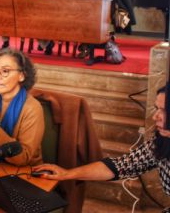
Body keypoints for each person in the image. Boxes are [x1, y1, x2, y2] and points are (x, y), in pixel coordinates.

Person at [34, 85, 170, 212]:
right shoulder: (162, 141)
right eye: (157, 109)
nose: (155, 117)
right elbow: (121, 165)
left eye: (165, 111)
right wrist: (66, 174)